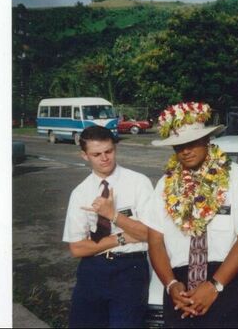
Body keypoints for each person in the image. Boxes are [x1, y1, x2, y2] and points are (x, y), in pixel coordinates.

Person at [141, 101, 238, 328]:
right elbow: (156, 240)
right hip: (180, 290)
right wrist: (171, 285)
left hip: (228, 281)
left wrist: (214, 286)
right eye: (178, 146)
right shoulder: (164, 184)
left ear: (207, 140)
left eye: (192, 143)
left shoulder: (237, 177)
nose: (186, 150)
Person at [62, 125, 153, 328]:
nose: (104, 158)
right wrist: (120, 238)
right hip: (92, 271)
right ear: (85, 156)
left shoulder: (138, 183)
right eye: (96, 154)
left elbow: (148, 233)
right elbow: (77, 248)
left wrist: (112, 215)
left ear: (115, 149)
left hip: (130, 269)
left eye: (108, 151)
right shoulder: (80, 192)